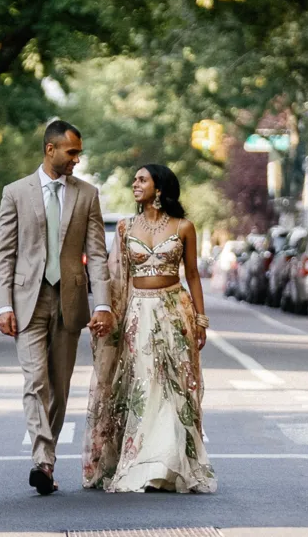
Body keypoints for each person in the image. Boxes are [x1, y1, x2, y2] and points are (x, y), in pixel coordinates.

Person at [0, 120, 113, 496]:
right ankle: (43, 461)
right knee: (35, 381)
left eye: (78, 153)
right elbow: (4, 254)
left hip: (70, 300)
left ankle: (48, 455)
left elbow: (96, 254)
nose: (76, 159)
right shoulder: (15, 193)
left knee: (59, 388)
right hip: (28, 300)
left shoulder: (87, 194)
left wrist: (103, 304)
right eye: (72, 152)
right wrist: (2, 306)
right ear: (50, 149)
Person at [82, 164, 217, 493]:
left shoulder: (184, 227)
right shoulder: (126, 228)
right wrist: (107, 314)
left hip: (174, 310)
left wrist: (200, 319)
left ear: (159, 189)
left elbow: (194, 275)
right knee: (144, 385)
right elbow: (115, 276)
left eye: (142, 180)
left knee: (174, 387)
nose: (135, 184)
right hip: (138, 312)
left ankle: (169, 464)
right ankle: (142, 462)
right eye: (135, 179)